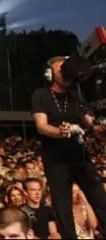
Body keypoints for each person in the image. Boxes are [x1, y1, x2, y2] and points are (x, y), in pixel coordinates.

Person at [32, 55, 106, 239]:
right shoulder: (40, 95)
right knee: (63, 207)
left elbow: (89, 122)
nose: (66, 72)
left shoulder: (75, 95)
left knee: (101, 200)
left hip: (79, 156)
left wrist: (100, 128)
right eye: (61, 68)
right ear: (49, 74)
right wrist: (61, 132)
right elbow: (41, 125)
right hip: (56, 160)